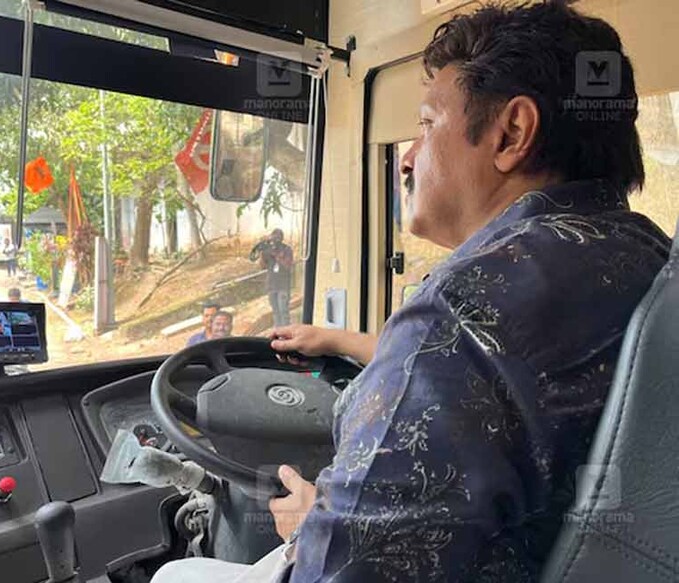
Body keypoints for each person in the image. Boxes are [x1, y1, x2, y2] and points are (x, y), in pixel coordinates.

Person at [153, 4, 670, 582]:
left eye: (426, 126)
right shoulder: (647, 259)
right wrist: (348, 342)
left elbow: (343, 569)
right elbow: (516, 380)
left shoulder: (461, 308)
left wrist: (306, 526)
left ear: (512, 134)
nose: (406, 154)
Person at [250, 228, 293, 328]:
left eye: (277, 238)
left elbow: (288, 265)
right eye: (273, 238)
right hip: (271, 285)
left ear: (281, 238)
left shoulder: (286, 249)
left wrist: (278, 256)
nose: (275, 241)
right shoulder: (268, 250)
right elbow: (262, 266)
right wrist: (262, 253)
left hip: (283, 286)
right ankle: (277, 332)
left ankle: (286, 332)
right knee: (275, 312)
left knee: (284, 312)